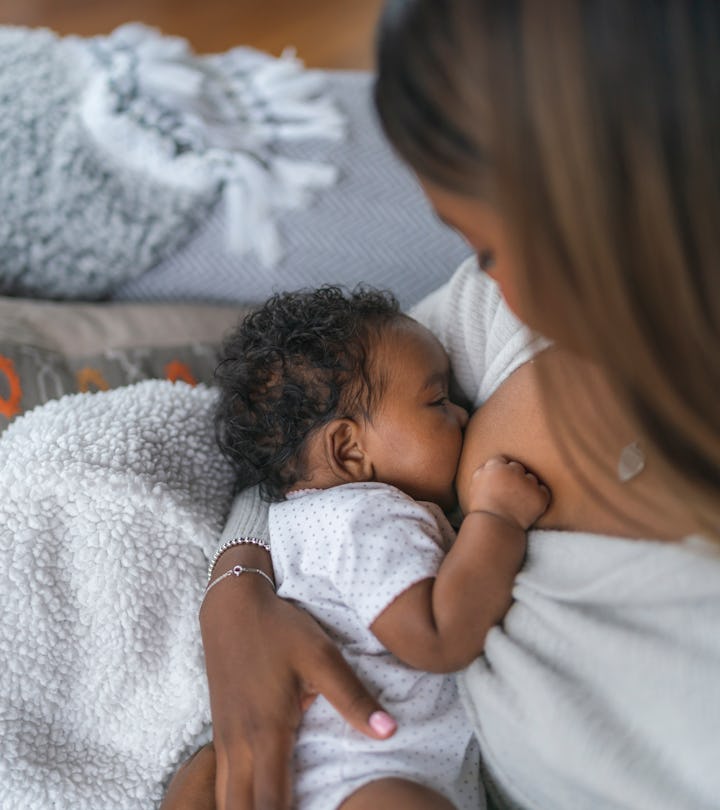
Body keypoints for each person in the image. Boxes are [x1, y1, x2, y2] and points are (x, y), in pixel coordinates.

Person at [198, 2, 720, 808]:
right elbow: (294, 439)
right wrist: (236, 593)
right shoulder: (488, 323)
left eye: (499, 247)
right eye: (477, 248)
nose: (490, 281)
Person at [167, 285, 549, 810]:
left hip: (280, 779)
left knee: (201, 772)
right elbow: (437, 636)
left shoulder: (295, 521)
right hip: (367, 779)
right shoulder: (369, 516)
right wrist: (496, 518)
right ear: (348, 450)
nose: (462, 415)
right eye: (438, 401)